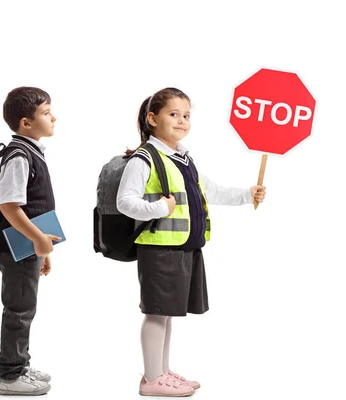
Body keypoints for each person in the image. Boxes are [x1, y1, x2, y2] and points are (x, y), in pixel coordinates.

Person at [116, 87, 266, 397]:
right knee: (157, 312)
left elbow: (206, 189)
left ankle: (160, 371)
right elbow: (124, 202)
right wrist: (160, 208)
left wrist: (245, 194)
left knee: (167, 312)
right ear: (152, 119)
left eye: (186, 115)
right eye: (174, 114)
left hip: (183, 247)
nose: (182, 120)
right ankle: (152, 380)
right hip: (159, 249)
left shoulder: (182, 158)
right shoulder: (144, 159)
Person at [0, 86, 61, 396]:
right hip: (16, 246)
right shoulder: (19, 156)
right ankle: (9, 376)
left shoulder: (31, 151)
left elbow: (32, 207)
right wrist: (37, 239)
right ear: (26, 122)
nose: (54, 117)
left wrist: (41, 248)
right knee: (18, 309)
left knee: (25, 307)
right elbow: (9, 206)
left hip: (27, 247)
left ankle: (19, 364)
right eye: (46, 113)